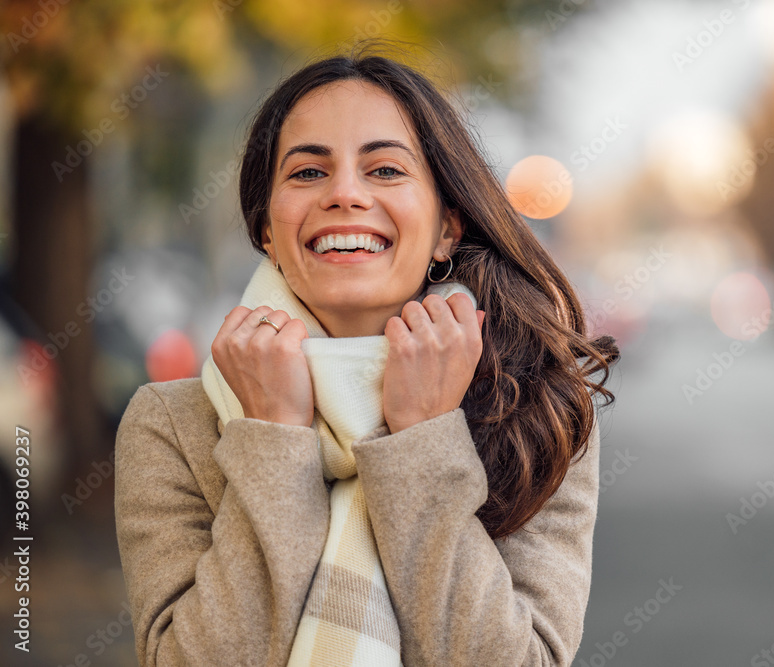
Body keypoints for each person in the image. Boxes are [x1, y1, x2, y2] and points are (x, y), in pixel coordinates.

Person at [114, 44, 619, 667]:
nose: (344, 194)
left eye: (384, 170)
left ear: (447, 229)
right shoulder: (171, 424)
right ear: (266, 230)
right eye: (306, 173)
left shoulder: (538, 410)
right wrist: (271, 437)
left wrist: (426, 438)